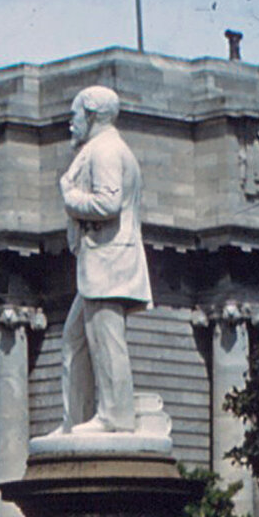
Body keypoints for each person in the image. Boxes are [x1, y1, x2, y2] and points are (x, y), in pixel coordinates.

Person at [56, 84, 150, 434]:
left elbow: (107, 204)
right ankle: (75, 421)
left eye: (74, 115)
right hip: (99, 263)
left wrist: (71, 198)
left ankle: (115, 416)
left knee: (107, 342)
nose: (71, 123)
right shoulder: (99, 148)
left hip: (108, 261)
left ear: (92, 115)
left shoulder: (106, 151)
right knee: (75, 339)